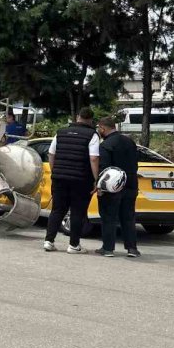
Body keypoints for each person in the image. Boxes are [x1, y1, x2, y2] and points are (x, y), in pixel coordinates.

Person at [44, 107, 100, 254]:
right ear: (91, 120)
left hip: (59, 178)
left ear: (77, 117)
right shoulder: (92, 135)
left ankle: (49, 241)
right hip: (81, 180)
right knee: (77, 212)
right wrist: (96, 179)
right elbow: (93, 158)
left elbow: (51, 154)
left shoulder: (60, 133)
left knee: (57, 210)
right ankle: (73, 245)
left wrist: (54, 170)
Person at [95, 116, 139, 258]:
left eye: (99, 128)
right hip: (131, 183)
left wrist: (100, 187)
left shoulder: (106, 145)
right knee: (128, 217)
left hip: (112, 186)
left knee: (109, 217)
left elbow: (104, 168)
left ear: (103, 128)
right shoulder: (130, 142)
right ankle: (132, 248)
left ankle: (108, 248)